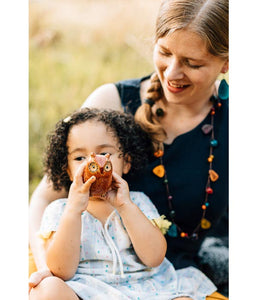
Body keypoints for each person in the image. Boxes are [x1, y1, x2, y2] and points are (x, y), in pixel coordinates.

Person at [29, 0, 229, 298]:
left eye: (192, 63)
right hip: (76, 265)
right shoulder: (112, 102)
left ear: (226, 63)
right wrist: (47, 267)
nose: (172, 72)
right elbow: (47, 194)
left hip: (163, 279)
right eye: (164, 52)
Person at [29, 107, 217, 300]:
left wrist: (125, 207)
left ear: (126, 163)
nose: (93, 165)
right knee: (47, 289)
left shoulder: (137, 201)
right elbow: (62, 271)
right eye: (79, 158)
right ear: (68, 170)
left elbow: (154, 258)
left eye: (104, 153)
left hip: (147, 289)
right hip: (87, 290)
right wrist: (73, 212)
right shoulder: (60, 210)